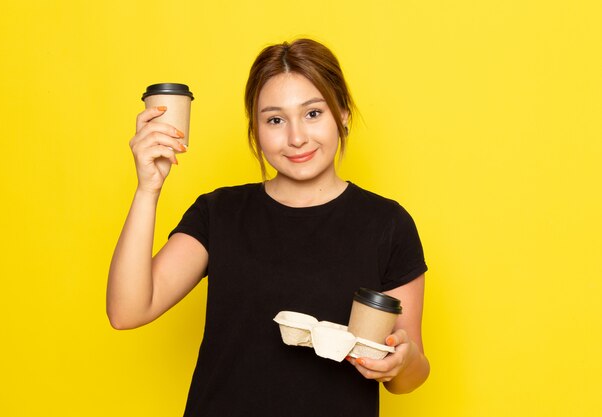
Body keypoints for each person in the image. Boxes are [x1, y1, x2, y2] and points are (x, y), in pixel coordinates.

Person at [108, 38, 430, 417]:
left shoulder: (387, 224)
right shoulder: (219, 213)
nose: (296, 137)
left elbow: (410, 375)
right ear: (256, 129)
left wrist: (399, 363)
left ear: (342, 113)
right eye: (275, 119)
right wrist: (149, 187)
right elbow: (127, 311)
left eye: (313, 113)